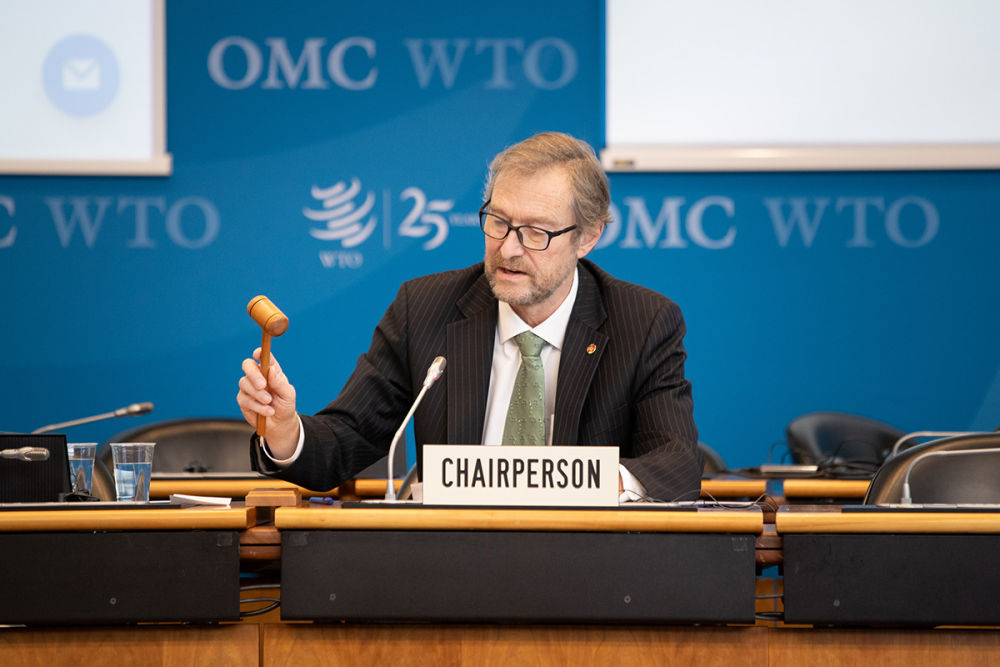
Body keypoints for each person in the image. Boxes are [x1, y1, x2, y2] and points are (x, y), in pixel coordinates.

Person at [237, 132, 702, 501]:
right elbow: (349, 437)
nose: (509, 248)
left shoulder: (641, 322)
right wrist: (285, 430)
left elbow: (676, 462)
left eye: (536, 232)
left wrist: (579, 486)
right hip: (450, 559)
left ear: (588, 237)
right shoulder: (426, 308)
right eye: (498, 222)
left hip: (583, 564)